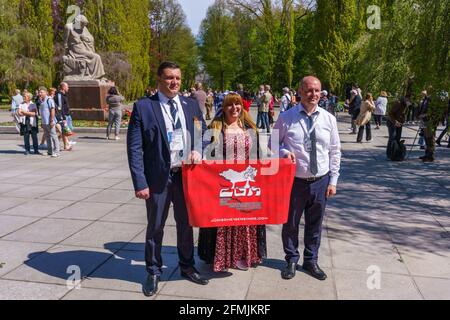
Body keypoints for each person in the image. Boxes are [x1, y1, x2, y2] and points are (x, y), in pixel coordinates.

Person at [127, 61, 208, 297]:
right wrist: (140, 181)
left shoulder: (190, 105)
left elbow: (202, 133)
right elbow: (134, 148)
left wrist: (198, 150)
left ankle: (187, 265)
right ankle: (153, 270)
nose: (174, 82)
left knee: (186, 224)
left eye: (178, 78)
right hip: (158, 179)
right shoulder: (144, 107)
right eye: (170, 78)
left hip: (186, 176)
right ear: (159, 80)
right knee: (155, 227)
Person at [271, 76, 341, 281]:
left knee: (315, 224)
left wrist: (333, 181)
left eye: (317, 90)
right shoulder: (286, 117)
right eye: (309, 90)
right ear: (300, 92)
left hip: (321, 180)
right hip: (294, 182)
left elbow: (335, 151)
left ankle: (311, 260)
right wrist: (283, 152)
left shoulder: (329, 119)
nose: (313, 94)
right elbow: (272, 144)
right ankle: (291, 259)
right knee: (291, 223)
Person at [198, 93, 267, 272]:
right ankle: (224, 256)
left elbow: (261, 153)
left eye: (237, 104)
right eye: (230, 105)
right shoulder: (215, 127)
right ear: (223, 107)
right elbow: (203, 149)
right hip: (223, 183)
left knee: (244, 219)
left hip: (246, 183)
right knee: (225, 220)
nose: (234, 108)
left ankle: (244, 254)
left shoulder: (249, 126)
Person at [63, 14, 106, 80]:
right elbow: (65, 42)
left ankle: (97, 76)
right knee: (96, 57)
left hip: (84, 48)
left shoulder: (83, 28)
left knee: (95, 56)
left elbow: (90, 38)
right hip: (76, 50)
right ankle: (95, 76)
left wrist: (85, 38)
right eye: (82, 25)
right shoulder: (68, 27)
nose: (83, 27)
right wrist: (66, 53)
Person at [38, 87, 60, 158]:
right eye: (39, 92)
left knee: (54, 136)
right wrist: (42, 122)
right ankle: (50, 151)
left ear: (46, 92)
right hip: (44, 122)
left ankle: (57, 152)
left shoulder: (49, 100)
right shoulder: (41, 101)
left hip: (50, 122)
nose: (40, 93)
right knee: (47, 137)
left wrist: (51, 120)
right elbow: (42, 113)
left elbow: (52, 110)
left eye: (41, 92)